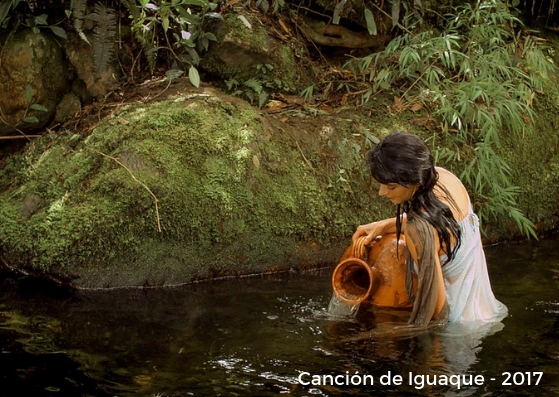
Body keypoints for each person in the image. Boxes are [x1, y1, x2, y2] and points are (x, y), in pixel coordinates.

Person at [352, 131, 508, 326]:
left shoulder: (418, 231)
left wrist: (432, 353)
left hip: (457, 330)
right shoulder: (444, 179)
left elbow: (437, 311)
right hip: (486, 313)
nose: (382, 192)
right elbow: (438, 220)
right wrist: (386, 225)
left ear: (415, 180)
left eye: (391, 187)